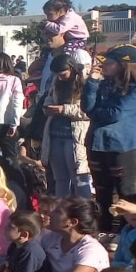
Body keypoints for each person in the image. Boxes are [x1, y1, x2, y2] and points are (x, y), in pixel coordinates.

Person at [83, 44, 136, 231]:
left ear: (124, 65)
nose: (104, 64)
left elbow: (115, 114)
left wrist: (95, 112)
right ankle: (104, 230)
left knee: (125, 194)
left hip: (122, 147)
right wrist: (92, 82)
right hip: (97, 144)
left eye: (110, 61)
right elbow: (86, 107)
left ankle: (124, 232)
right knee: (102, 192)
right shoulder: (102, 83)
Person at [41, 54, 92, 197]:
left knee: (79, 177)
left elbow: (89, 110)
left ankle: (85, 211)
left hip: (75, 136)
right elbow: (49, 97)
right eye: (57, 75)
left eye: (63, 74)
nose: (60, 77)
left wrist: (64, 109)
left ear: (71, 67)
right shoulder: (56, 82)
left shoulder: (86, 82)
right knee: (60, 179)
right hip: (55, 133)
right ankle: (62, 212)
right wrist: (47, 106)